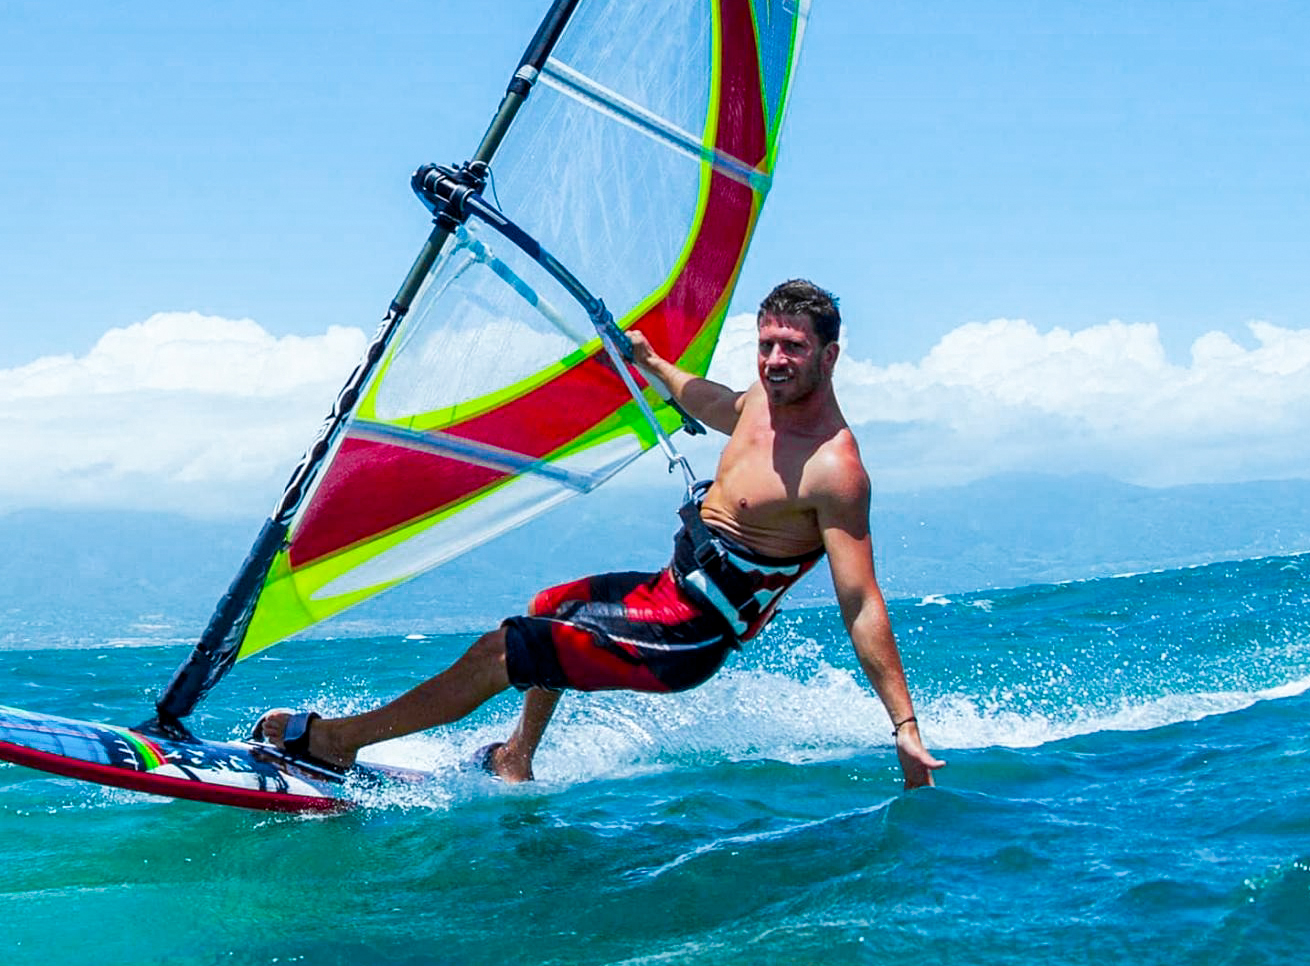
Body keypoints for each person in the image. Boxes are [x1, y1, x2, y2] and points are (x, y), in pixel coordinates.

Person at [254, 278, 940, 789]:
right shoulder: (763, 401)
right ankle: (517, 758)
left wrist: (903, 729)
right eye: (766, 344)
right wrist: (650, 364)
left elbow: (861, 602)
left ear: (830, 355)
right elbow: (711, 402)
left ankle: (336, 743)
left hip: (688, 634)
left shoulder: (833, 467)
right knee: (550, 604)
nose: (775, 360)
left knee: (508, 650)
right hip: (666, 591)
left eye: (793, 347)